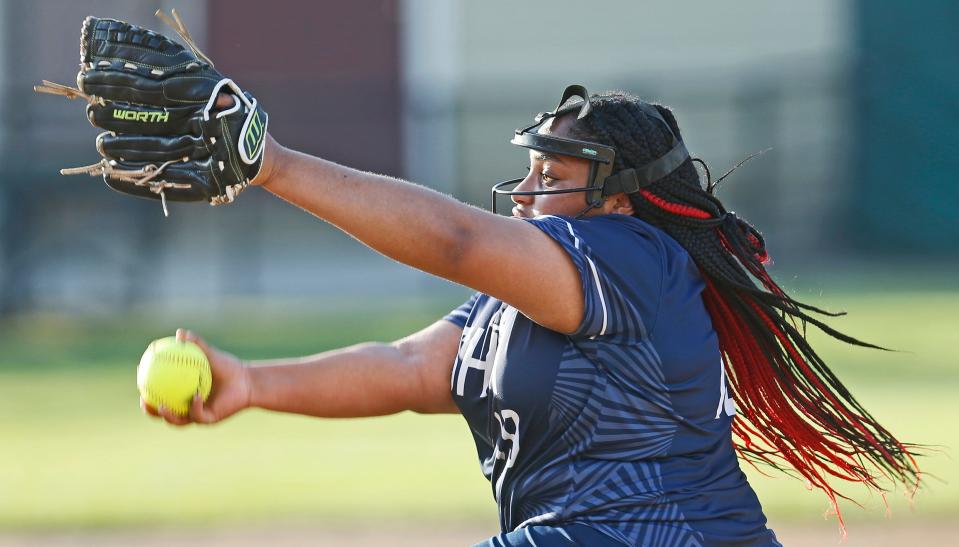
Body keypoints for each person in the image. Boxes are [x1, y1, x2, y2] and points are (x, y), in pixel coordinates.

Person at [142, 86, 919, 546]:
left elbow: (454, 238)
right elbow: (411, 369)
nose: (522, 191)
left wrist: (270, 162)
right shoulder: (537, 291)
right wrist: (250, 381)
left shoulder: (633, 256)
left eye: (549, 175)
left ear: (618, 199)